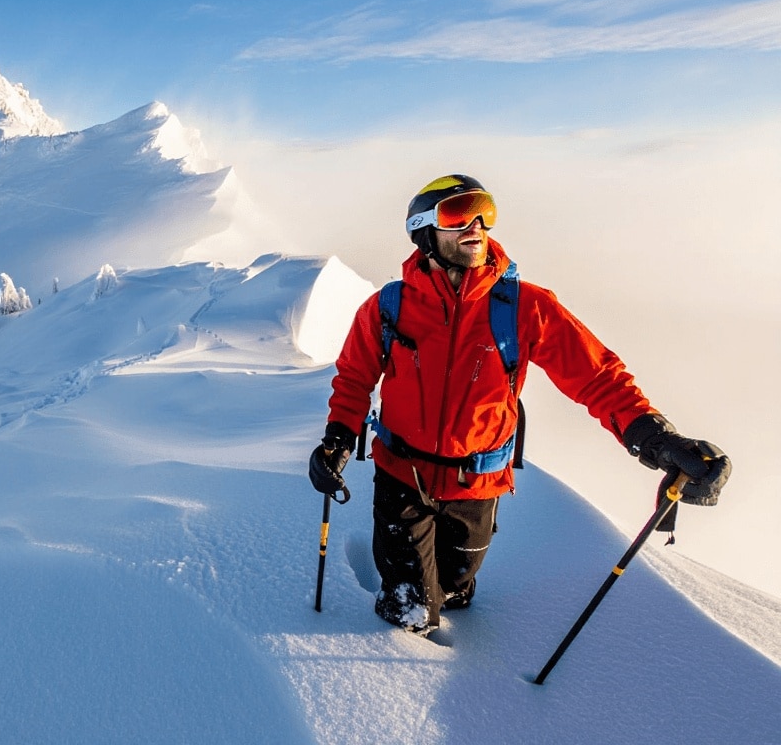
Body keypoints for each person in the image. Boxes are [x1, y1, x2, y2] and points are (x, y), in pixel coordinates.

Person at [308, 174, 730, 636]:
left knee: (454, 589)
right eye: (458, 214)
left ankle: (450, 595)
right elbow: (354, 378)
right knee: (408, 613)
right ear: (425, 231)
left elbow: (597, 376)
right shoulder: (387, 308)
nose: (476, 226)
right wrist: (337, 439)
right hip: (401, 477)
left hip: (478, 484)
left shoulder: (524, 306)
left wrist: (656, 438)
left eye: (484, 212)